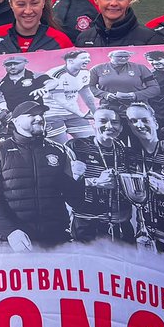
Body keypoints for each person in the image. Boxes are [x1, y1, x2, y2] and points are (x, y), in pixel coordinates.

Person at [0, 101, 81, 250]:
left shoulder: (60, 151)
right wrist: (10, 232)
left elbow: (75, 200)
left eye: (41, 114)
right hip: (11, 243)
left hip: (55, 241)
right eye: (32, 115)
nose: (39, 118)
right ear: (15, 121)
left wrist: (79, 180)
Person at [119, 101, 164, 254]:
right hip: (144, 238)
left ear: (155, 123)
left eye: (144, 120)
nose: (139, 125)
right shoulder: (131, 158)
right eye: (133, 121)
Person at [67, 103, 128, 243]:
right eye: (103, 121)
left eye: (114, 122)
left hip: (121, 224)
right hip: (87, 225)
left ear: (121, 127)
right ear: (93, 123)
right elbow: (62, 184)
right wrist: (95, 182)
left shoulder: (124, 151)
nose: (109, 126)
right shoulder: (76, 147)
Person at [41, 50, 97, 143]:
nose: (88, 60)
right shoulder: (56, 74)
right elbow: (61, 100)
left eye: (88, 57)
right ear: (70, 61)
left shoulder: (85, 73)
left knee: (91, 142)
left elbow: (87, 95)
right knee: (62, 147)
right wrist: (82, 114)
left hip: (73, 113)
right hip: (52, 114)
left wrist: (96, 113)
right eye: (84, 58)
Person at [89, 49, 158, 108]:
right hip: (108, 105)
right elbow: (90, 86)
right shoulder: (97, 69)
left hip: (137, 105)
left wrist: (135, 95)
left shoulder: (140, 68)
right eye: (119, 56)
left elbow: (154, 88)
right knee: (105, 118)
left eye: (126, 56)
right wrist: (104, 94)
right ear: (110, 57)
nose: (123, 58)